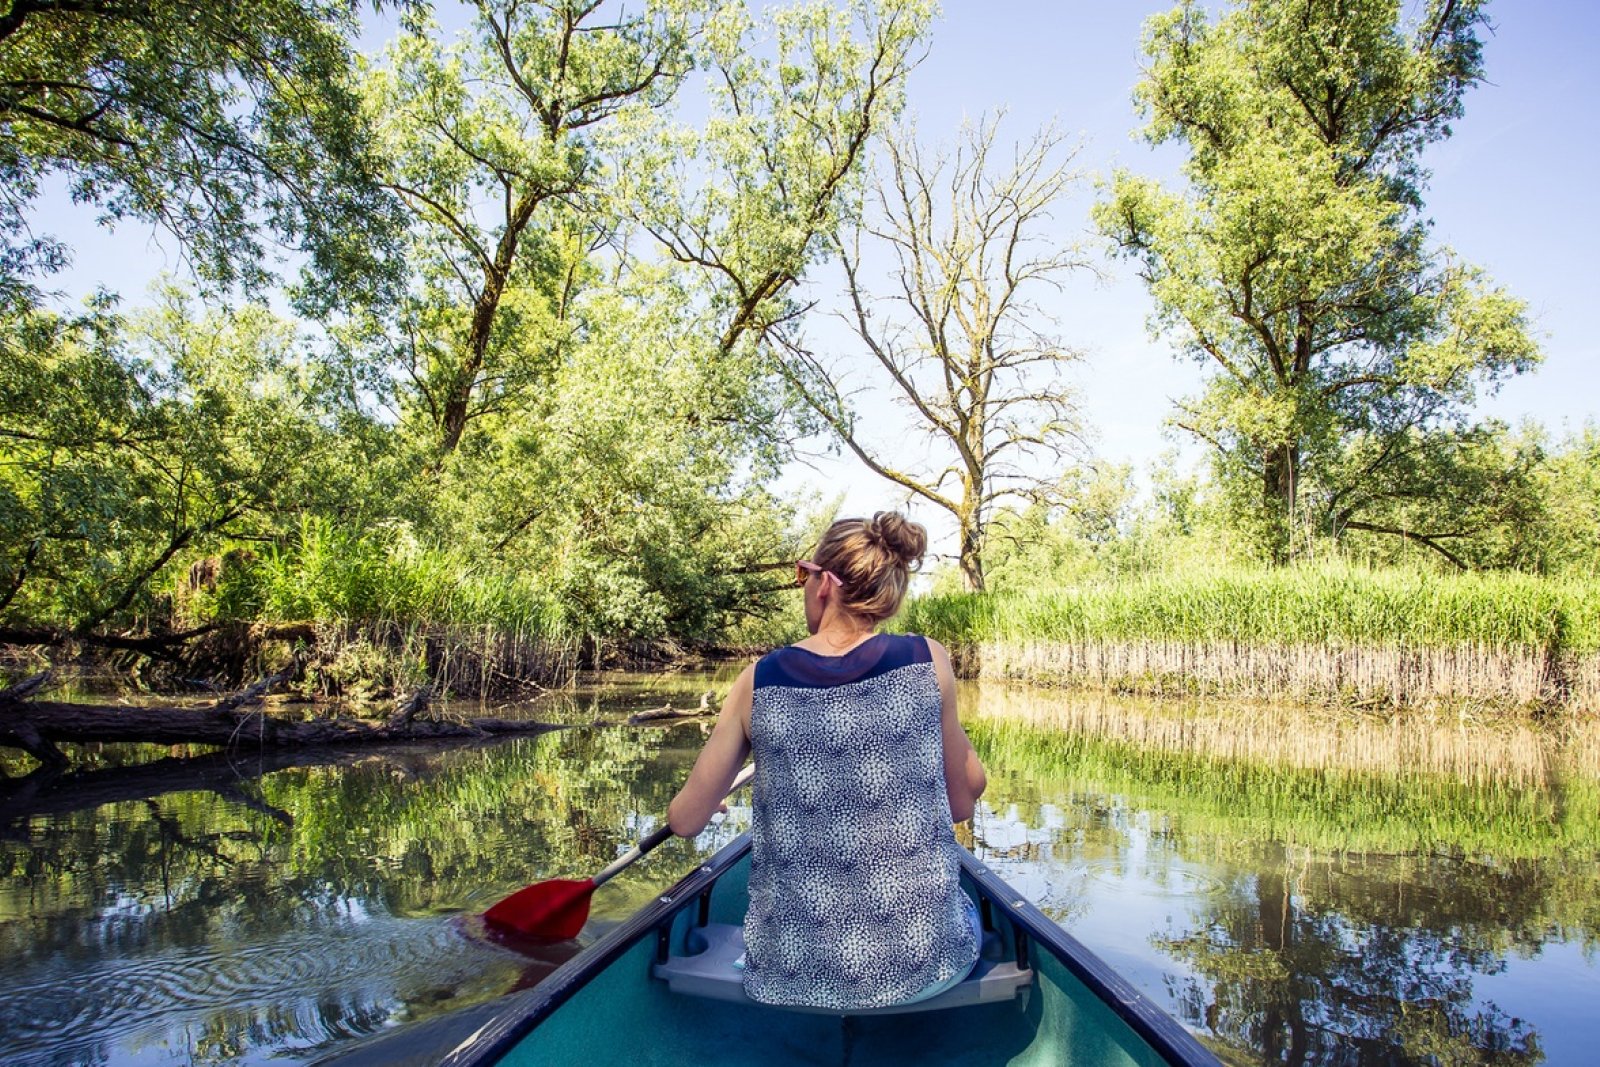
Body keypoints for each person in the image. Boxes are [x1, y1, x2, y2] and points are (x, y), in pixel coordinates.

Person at [667, 511, 987, 1012]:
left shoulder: (758, 680)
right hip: (927, 968)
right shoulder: (930, 660)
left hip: (786, 975)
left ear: (824, 585)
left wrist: (711, 801)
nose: (802, 587)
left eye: (803, 574)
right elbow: (963, 802)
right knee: (967, 909)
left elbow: (685, 820)